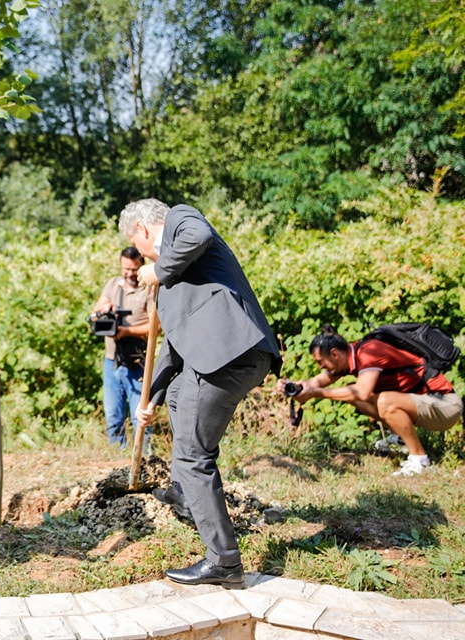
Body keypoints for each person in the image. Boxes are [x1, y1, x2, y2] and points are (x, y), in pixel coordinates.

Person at [119, 198, 281, 589]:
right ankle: (186, 491)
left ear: (142, 229)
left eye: (136, 248)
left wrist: (158, 268)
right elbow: (174, 349)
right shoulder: (178, 282)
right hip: (226, 355)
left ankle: (223, 561)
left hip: (232, 352)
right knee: (177, 396)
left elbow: (199, 233)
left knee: (193, 457)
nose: (140, 259)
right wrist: (151, 399)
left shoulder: (179, 219)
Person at [279, 324, 463, 477]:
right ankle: (400, 439)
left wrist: (318, 393)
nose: (320, 367)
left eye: (321, 362)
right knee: (353, 392)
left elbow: (362, 392)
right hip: (423, 403)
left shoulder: (369, 353)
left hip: (445, 405)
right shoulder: (350, 357)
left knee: (380, 399)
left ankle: (420, 460)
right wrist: (294, 387)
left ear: (335, 354)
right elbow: (316, 382)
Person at [90, 246, 158, 449]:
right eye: (125, 269)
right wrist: (104, 310)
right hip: (112, 360)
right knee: (113, 415)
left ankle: (144, 456)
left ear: (141, 265)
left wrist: (126, 331)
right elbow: (95, 312)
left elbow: (156, 327)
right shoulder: (113, 285)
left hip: (138, 361)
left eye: (134, 269)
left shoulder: (149, 289)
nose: (129, 274)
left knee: (141, 417)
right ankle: (116, 455)